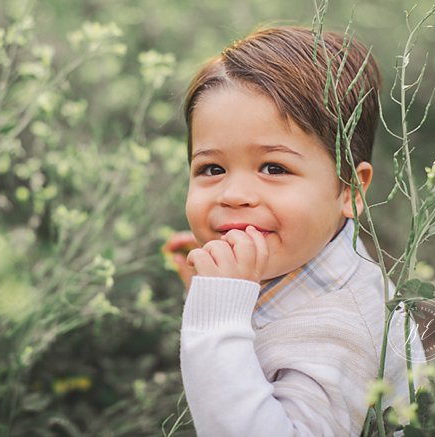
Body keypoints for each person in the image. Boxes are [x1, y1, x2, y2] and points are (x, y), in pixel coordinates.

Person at [164, 26, 421, 435]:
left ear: (349, 189)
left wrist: (216, 316)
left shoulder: (342, 331)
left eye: (274, 168)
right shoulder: (314, 257)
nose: (235, 195)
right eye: (212, 169)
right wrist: (220, 292)